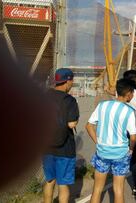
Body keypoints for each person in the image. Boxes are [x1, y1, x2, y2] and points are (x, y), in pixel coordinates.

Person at [86, 79, 136, 203]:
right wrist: (131, 149)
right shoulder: (130, 111)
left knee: (97, 189)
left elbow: (89, 126)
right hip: (120, 154)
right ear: (129, 93)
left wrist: (98, 142)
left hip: (102, 152)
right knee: (118, 189)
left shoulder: (103, 105)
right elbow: (133, 137)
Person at [43, 68, 80, 203]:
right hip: (65, 148)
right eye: (71, 81)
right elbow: (71, 124)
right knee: (63, 184)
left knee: (49, 180)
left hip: (46, 147)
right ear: (67, 81)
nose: (71, 84)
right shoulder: (69, 100)